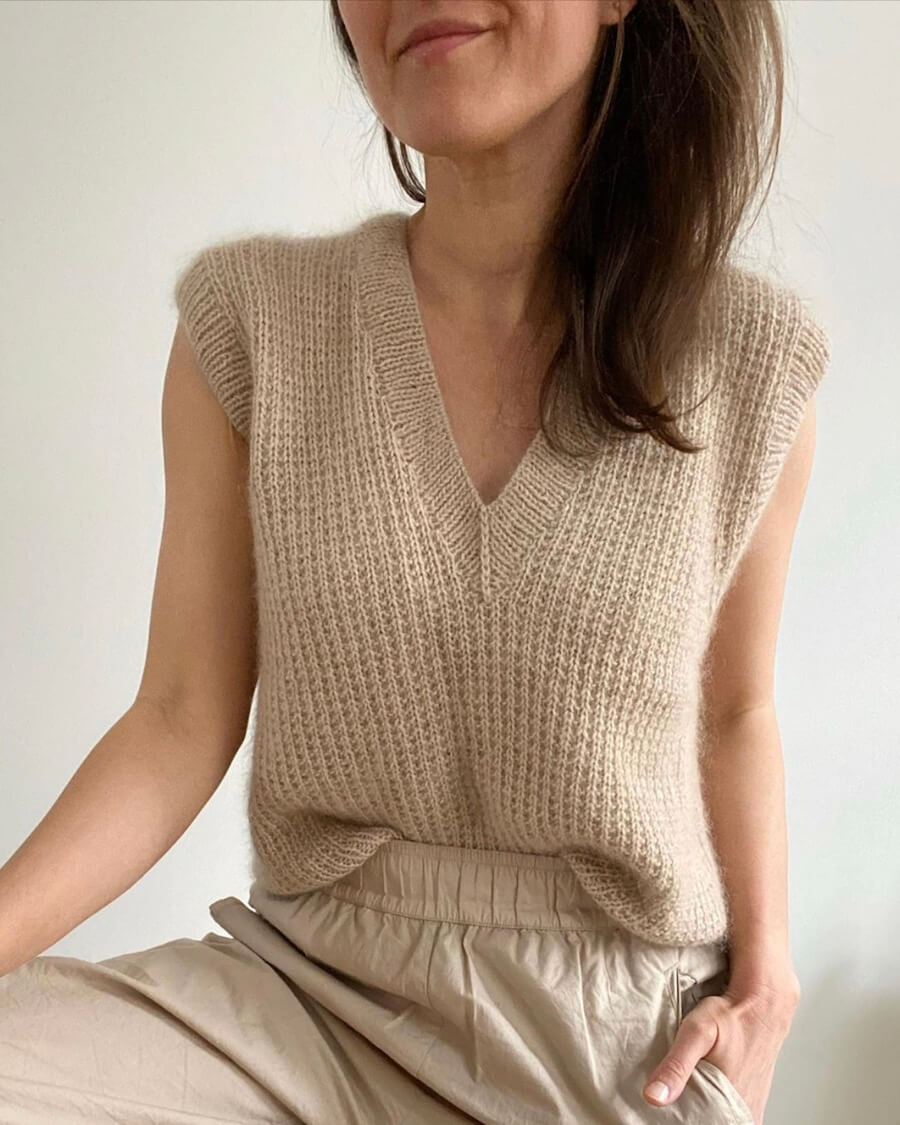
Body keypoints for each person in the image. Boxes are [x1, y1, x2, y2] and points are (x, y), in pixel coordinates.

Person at [0, 1, 831, 1122]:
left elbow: (734, 710)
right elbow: (180, 716)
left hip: (611, 1041)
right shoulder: (254, 325)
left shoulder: (747, 359)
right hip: (304, 1004)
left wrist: (767, 978)